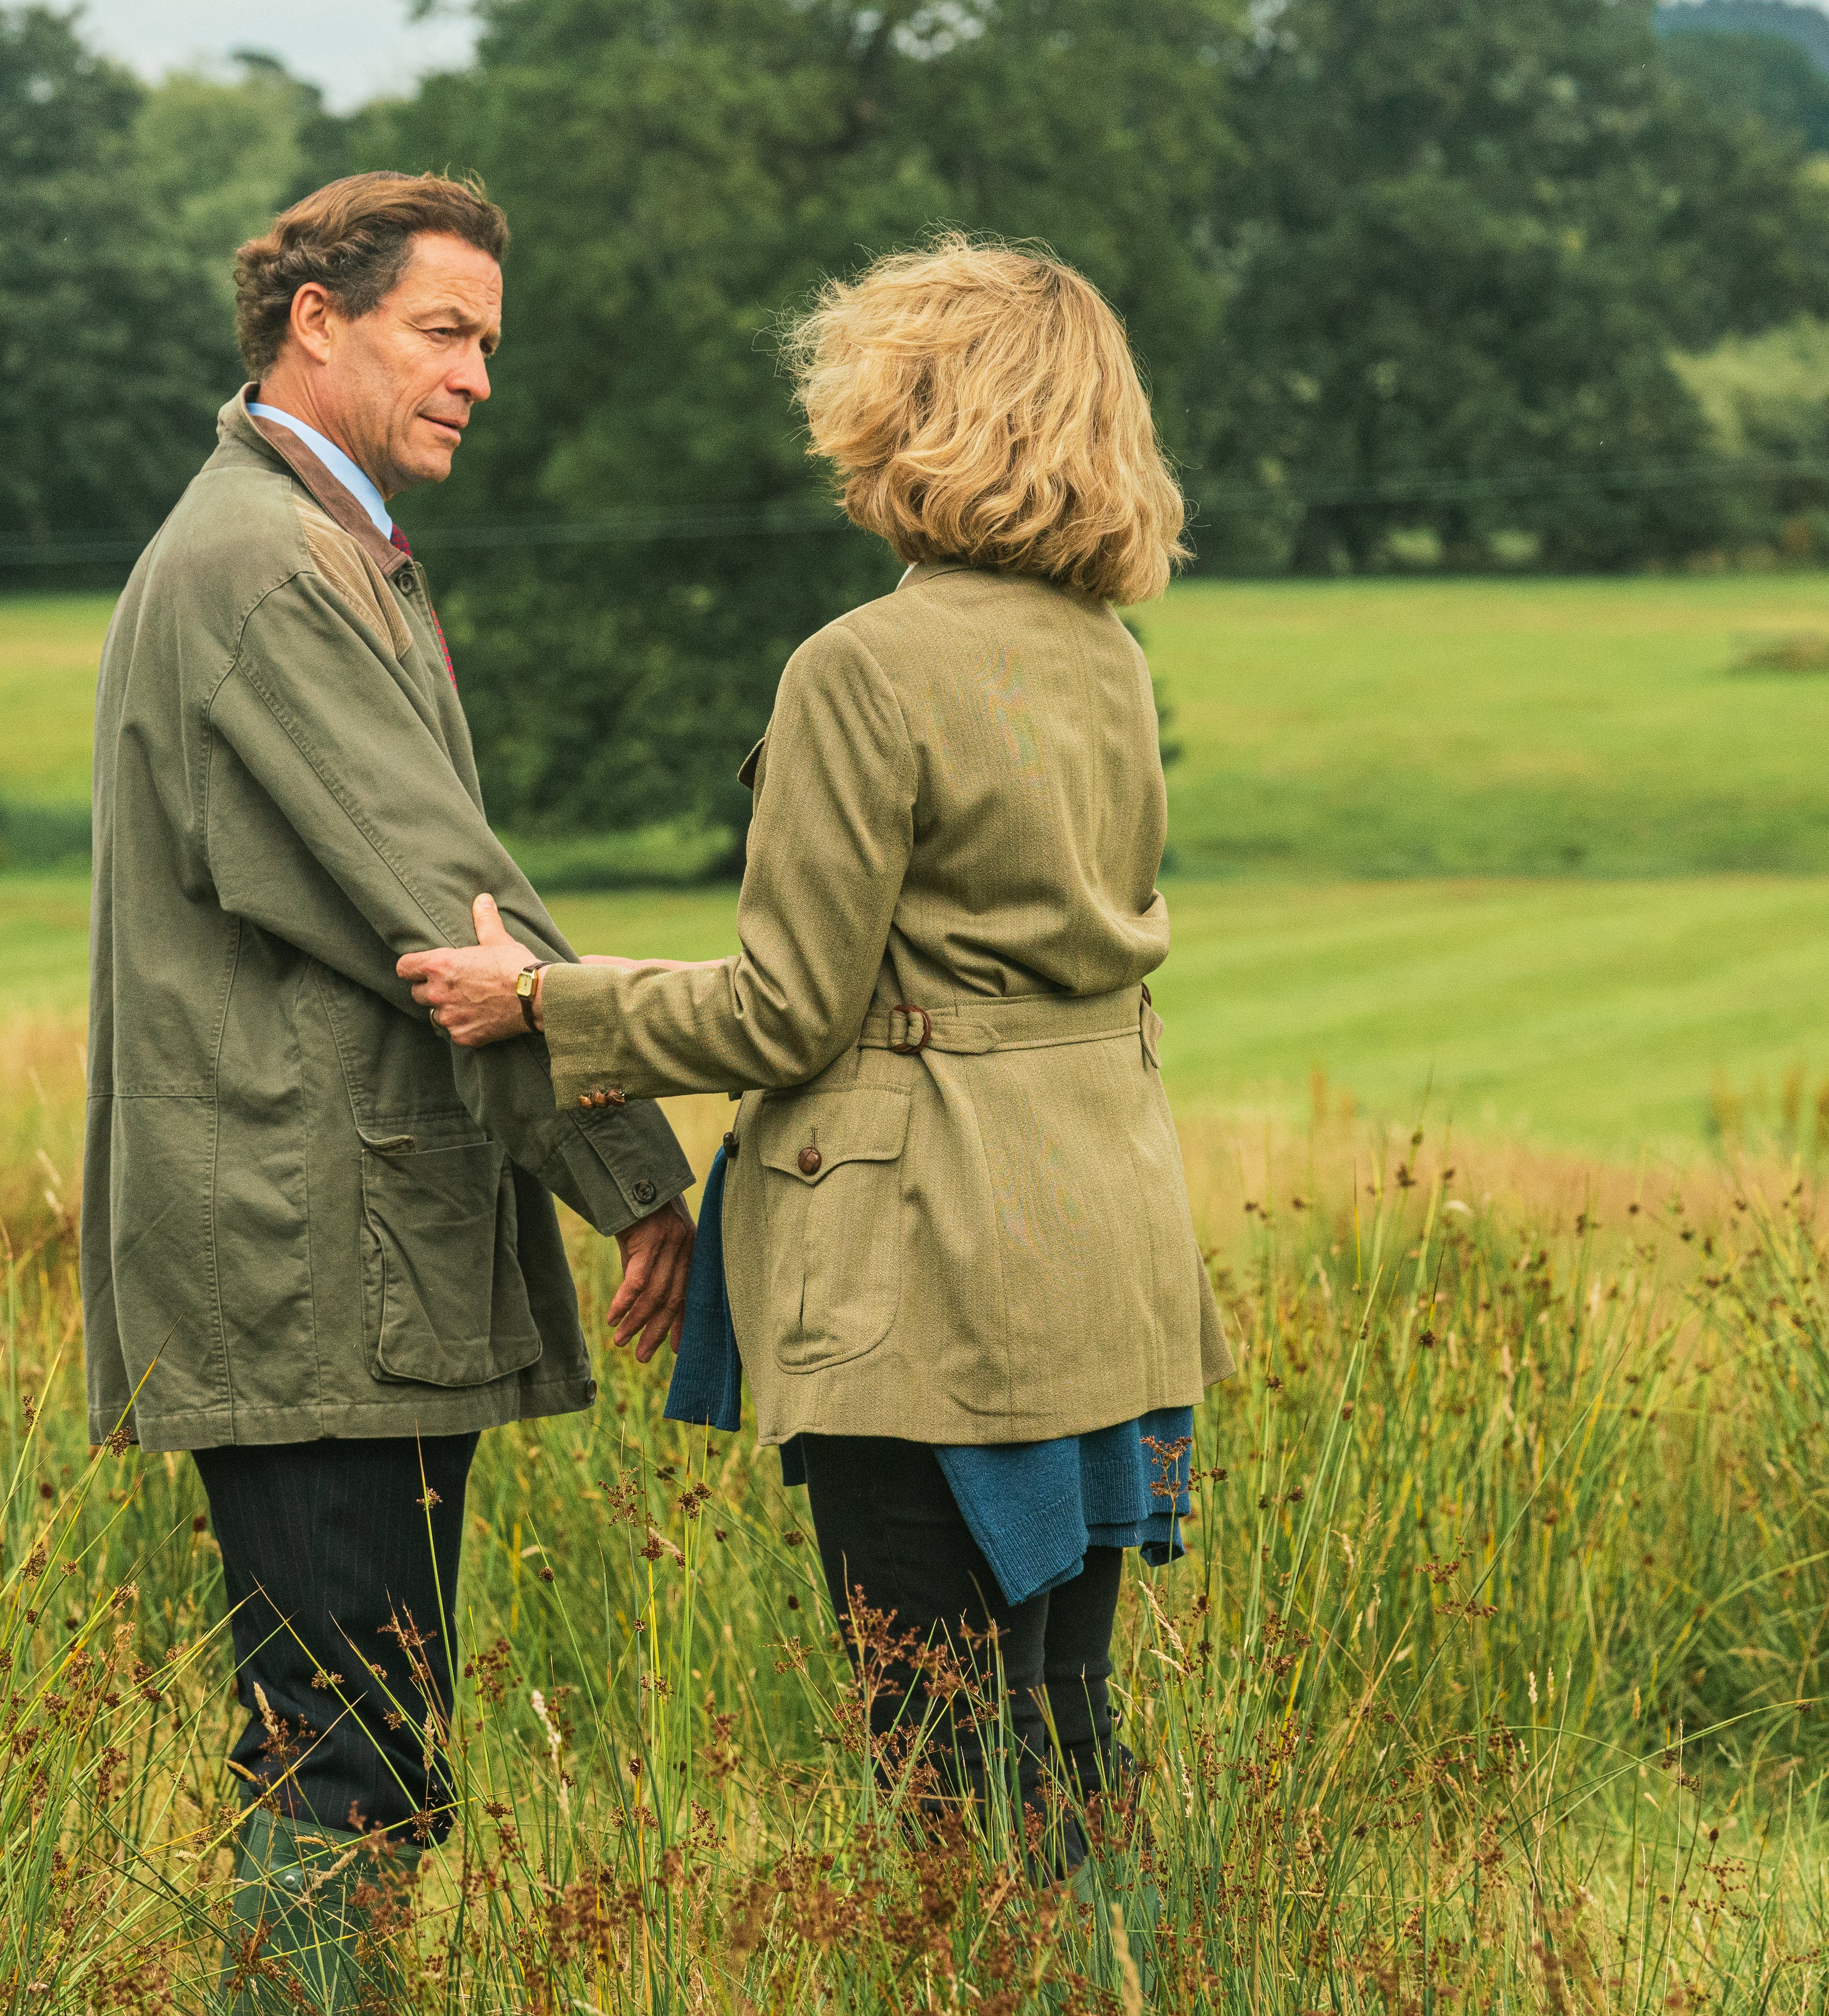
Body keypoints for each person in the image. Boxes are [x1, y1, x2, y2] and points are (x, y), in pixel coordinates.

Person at [399, 235, 1230, 1854]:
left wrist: (544, 1004)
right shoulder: (1105, 653)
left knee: (946, 1766)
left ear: (909, 412)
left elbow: (787, 1011)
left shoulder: (862, 664)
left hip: (934, 1274)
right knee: (1064, 1737)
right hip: (1106, 1245)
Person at [83, 171, 699, 2007]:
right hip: (307, 1247)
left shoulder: (311, 545)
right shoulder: (267, 569)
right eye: (446, 331)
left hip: (335, 1242)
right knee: (347, 1747)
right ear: (315, 322)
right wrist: (642, 1178)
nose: (479, 378)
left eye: (490, 343)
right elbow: (453, 913)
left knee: (359, 1734)